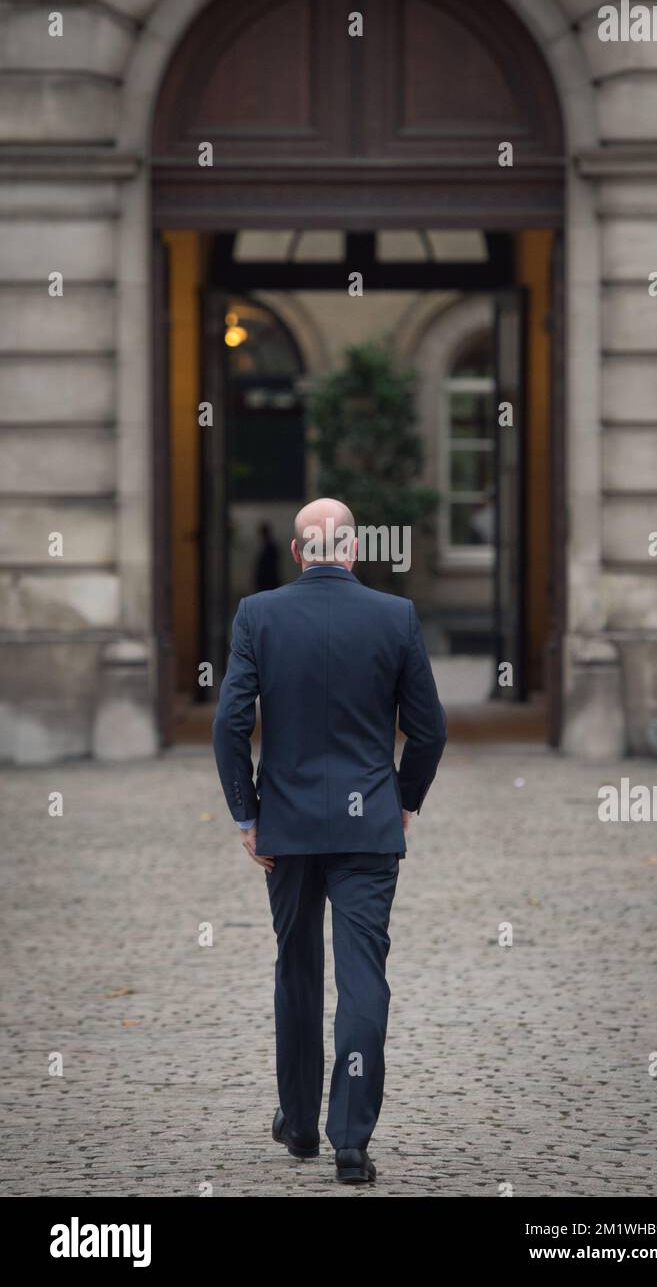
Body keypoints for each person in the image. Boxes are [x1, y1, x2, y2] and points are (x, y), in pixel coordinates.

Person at [213, 497, 447, 1185]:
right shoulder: (395, 617)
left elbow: (230, 724)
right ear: (353, 549)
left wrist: (245, 814)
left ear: (296, 553)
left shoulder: (258, 615)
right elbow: (429, 730)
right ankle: (351, 1140)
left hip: (286, 827)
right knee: (363, 976)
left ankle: (298, 1121)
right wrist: (402, 801)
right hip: (369, 824)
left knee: (295, 966)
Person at [253, 519, 280, 591]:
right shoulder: (267, 547)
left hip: (268, 582)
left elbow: (268, 567)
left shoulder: (270, 547)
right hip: (267, 582)